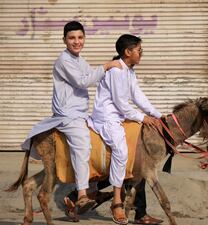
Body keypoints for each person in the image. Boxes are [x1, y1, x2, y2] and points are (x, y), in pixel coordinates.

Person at [21, 21, 121, 214]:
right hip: (68, 116)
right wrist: (108, 65)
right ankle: (82, 194)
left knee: (101, 139)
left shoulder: (80, 61)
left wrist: (117, 73)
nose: (77, 42)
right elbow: (83, 81)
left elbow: (94, 75)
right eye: (72, 38)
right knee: (82, 144)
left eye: (80, 37)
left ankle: (93, 189)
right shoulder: (64, 61)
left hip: (81, 114)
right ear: (64, 40)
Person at [88, 34, 164, 225]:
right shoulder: (116, 71)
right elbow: (121, 103)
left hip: (119, 117)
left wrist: (157, 115)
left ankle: (139, 211)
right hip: (107, 118)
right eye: (139, 50)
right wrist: (142, 117)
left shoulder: (129, 71)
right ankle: (116, 203)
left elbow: (137, 95)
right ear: (128, 52)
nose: (141, 54)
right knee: (121, 152)